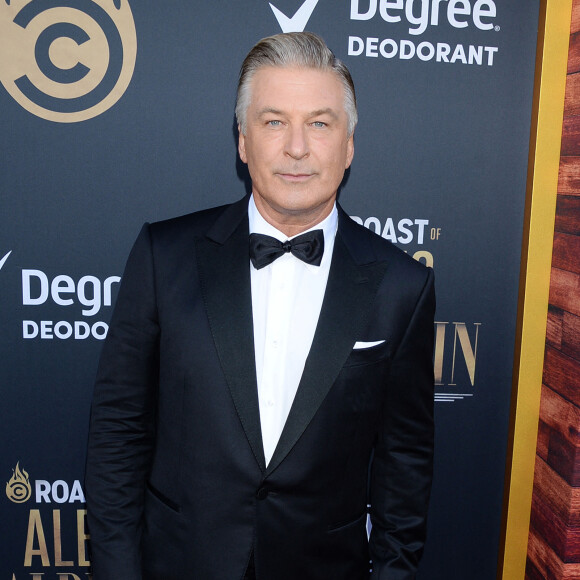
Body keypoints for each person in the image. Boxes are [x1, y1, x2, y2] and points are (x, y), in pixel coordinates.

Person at [85, 31, 435, 580]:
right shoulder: (164, 256)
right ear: (243, 141)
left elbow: (405, 466)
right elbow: (118, 434)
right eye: (274, 121)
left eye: (320, 123)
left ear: (349, 146)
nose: (297, 147)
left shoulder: (402, 286)